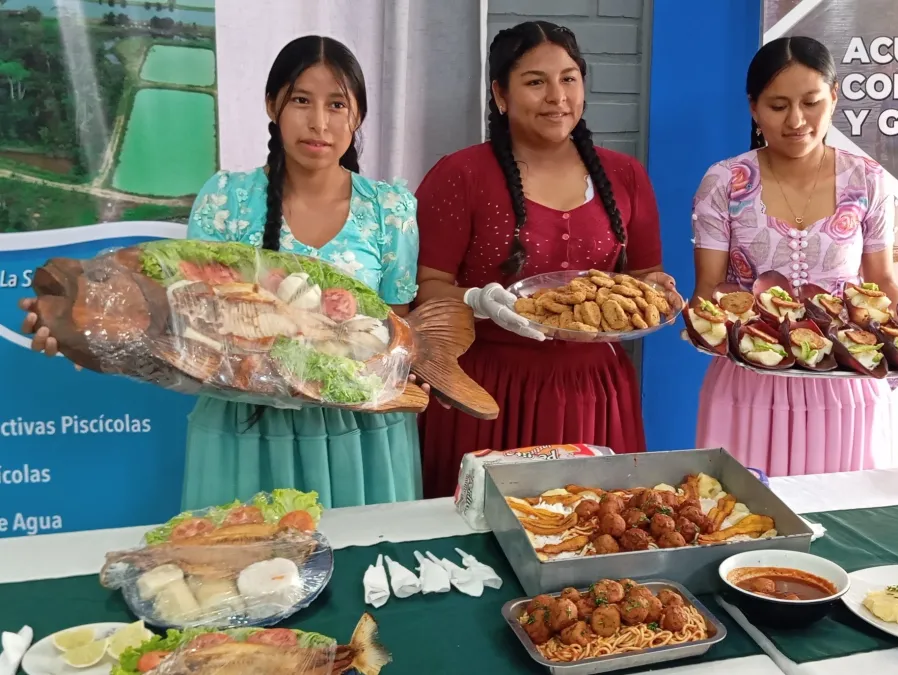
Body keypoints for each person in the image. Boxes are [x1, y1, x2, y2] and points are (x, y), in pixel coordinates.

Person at [20, 36, 429, 509]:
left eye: (337, 104)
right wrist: (92, 334)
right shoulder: (225, 199)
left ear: (357, 116)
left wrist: (407, 372)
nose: (319, 122)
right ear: (271, 104)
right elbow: (182, 320)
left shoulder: (391, 210)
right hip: (246, 427)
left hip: (359, 432)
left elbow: (394, 329)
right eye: (301, 100)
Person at [413, 21, 672, 498]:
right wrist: (477, 299)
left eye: (569, 78)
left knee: (594, 527)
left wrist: (659, 289)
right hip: (486, 390)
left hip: (594, 393)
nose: (557, 96)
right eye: (536, 81)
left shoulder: (626, 176)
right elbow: (425, 285)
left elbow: (643, 277)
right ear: (501, 94)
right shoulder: (461, 175)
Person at [691, 36, 898, 476]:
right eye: (777, 105)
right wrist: (704, 320)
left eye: (811, 102)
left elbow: (881, 280)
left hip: (844, 384)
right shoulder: (725, 182)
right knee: (742, 517)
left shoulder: (868, 180)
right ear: (753, 108)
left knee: (844, 518)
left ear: (834, 96)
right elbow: (709, 290)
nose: (796, 120)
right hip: (751, 379)